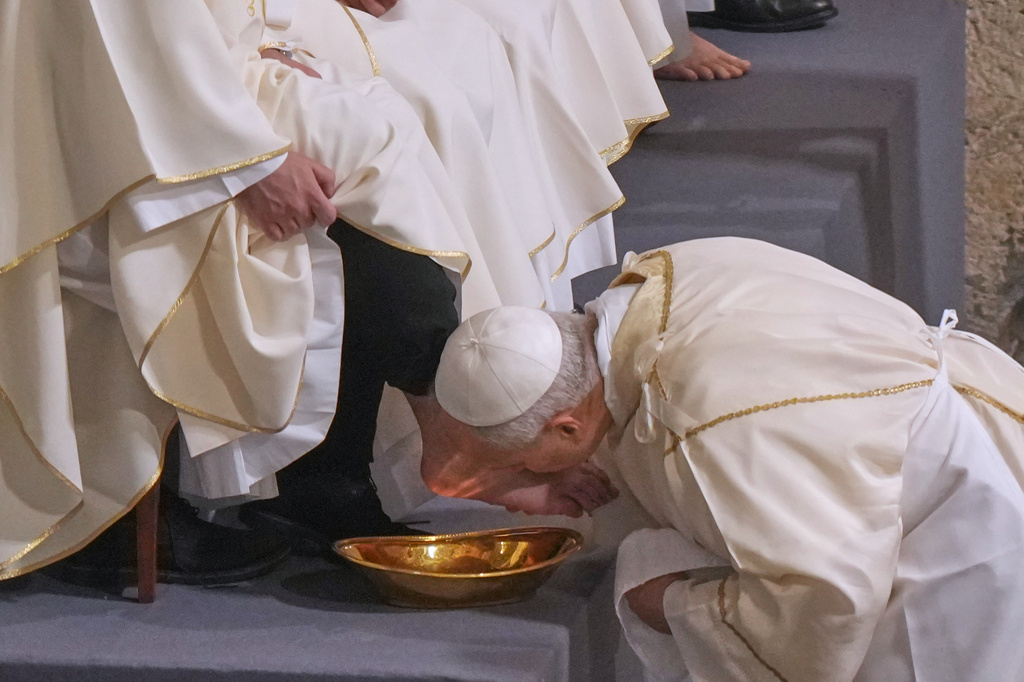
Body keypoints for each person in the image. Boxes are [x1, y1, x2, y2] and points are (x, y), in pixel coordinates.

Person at [415, 237, 1024, 681]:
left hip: (952, 542)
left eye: (525, 460)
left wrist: (673, 606)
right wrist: (542, 480)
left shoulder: (704, 418)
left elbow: (823, 598)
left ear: (568, 426)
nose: (530, 474)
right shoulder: (658, 287)